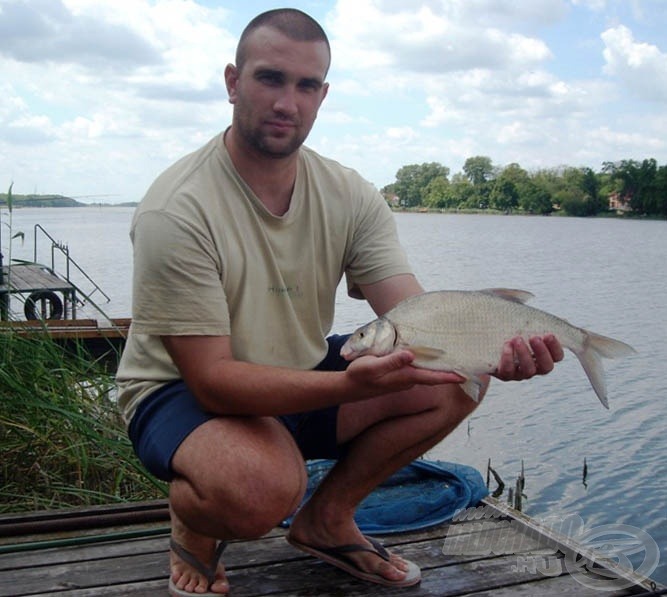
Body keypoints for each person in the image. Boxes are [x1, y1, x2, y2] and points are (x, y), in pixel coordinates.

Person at [116, 8, 564, 596]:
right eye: (270, 79)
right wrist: (354, 386)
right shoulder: (176, 208)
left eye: (306, 86)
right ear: (233, 82)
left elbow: (415, 315)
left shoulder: (350, 193)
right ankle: (195, 519)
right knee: (260, 491)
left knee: (453, 382)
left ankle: (327, 520)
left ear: (323, 96)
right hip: (183, 391)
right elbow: (214, 383)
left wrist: (482, 351)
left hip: (299, 371)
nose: (287, 102)